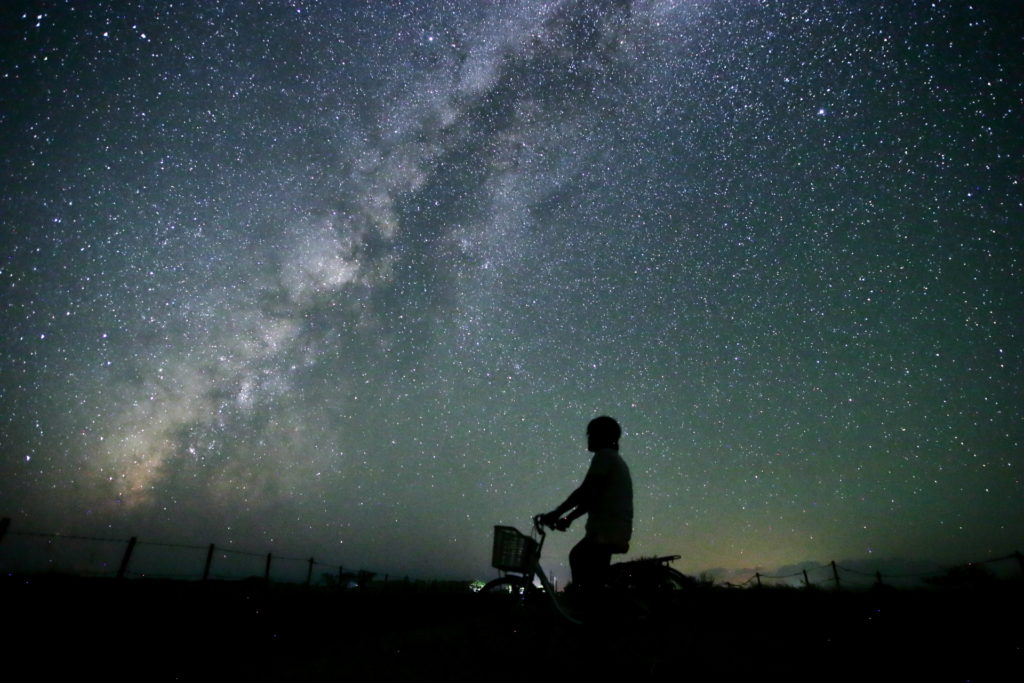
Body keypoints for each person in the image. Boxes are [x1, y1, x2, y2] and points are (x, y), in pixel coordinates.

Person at [540, 415, 633, 591]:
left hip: (606, 529)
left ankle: (588, 610)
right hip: (613, 527)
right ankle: (591, 608)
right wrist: (568, 518)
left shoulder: (604, 456)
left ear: (601, 436)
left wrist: (557, 513)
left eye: (591, 434)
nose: (588, 438)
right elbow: (593, 498)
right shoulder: (614, 459)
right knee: (588, 567)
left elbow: (585, 491)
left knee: (579, 558)